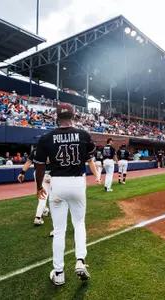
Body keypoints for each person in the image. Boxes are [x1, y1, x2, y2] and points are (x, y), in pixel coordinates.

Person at [34, 103, 101, 285]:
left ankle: (59, 273)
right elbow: (90, 155)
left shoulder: (46, 137)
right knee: (79, 224)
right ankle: (80, 261)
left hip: (58, 183)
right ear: (73, 116)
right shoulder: (84, 134)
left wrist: (39, 186)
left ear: (57, 117)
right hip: (78, 182)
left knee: (59, 230)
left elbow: (39, 165)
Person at [17, 147, 51, 226]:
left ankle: (45, 210)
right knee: (45, 195)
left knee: (40, 192)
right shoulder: (52, 147)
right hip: (48, 174)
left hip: (37, 173)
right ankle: (38, 217)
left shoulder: (36, 150)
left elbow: (28, 162)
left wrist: (22, 173)